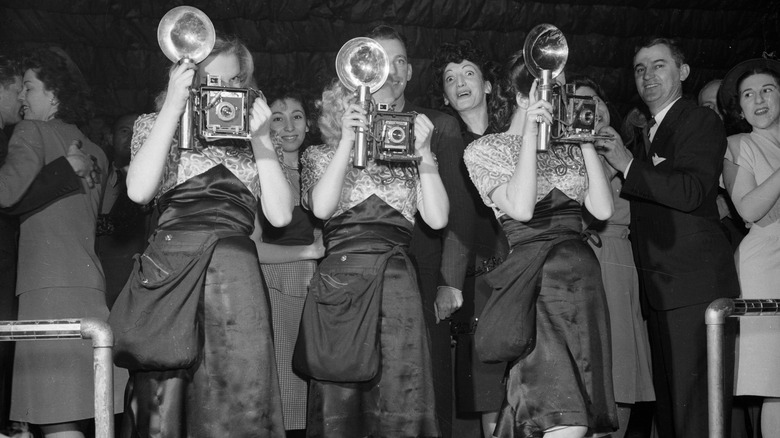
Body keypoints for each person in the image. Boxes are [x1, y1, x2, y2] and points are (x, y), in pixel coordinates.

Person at [120, 35, 290, 437]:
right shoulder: (154, 123)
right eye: (207, 80)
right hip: (170, 275)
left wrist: (263, 141)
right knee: (163, 404)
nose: (219, 90)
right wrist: (173, 110)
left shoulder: (258, 138)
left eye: (231, 82)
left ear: (244, 85)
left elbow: (280, 215)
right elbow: (138, 191)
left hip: (236, 283)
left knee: (239, 403)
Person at [463, 50, 617, 438]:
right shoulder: (486, 149)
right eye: (545, 91)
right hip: (538, 286)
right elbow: (521, 207)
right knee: (559, 415)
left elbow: (601, 209)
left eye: (560, 92)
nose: (555, 100)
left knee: (582, 415)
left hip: (583, 287)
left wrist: (583, 142)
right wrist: (530, 135)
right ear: (520, 98)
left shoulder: (569, 151)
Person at [596, 37, 740, 438]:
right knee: (674, 416)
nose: (648, 76)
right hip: (662, 292)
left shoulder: (700, 121)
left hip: (693, 289)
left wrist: (627, 164)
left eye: (658, 65)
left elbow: (692, 191)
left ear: (683, 72)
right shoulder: (650, 135)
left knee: (696, 415)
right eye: (640, 69)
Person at [299, 78, 447, 438]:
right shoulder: (319, 155)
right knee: (340, 403)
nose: (373, 110)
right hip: (341, 290)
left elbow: (438, 218)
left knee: (401, 400)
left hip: (397, 291)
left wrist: (425, 152)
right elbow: (321, 207)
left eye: (383, 103)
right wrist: (348, 142)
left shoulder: (409, 160)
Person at [0, 47, 126, 438]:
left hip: (46, 285)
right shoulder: (97, 151)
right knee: (84, 413)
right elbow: (103, 210)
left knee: (56, 419)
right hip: (90, 285)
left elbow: (5, 194)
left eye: (30, 88)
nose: (22, 97)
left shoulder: (30, 132)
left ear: (54, 95)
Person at [364, 25, 468, 437]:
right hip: (365, 280)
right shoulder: (344, 128)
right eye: (383, 61)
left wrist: (450, 283)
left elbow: (458, 212)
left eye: (400, 61)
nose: (392, 71)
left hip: (424, 276)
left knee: (428, 392)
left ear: (409, 73)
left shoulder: (437, 125)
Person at [569, 75, 656, 438]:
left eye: (596, 101)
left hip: (619, 266)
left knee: (618, 375)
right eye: (579, 105)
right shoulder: (564, 154)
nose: (592, 109)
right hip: (580, 263)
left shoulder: (630, 150)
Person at [431, 39, 507, 438]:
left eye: (469, 73)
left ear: (488, 85)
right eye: (450, 78)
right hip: (477, 282)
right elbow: (452, 224)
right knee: (488, 391)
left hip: (521, 270)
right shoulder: (444, 145)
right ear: (444, 94)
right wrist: (449, 280)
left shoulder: (515, 135)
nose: (459, 82)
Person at [253, 83, 324, 436]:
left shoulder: (322, 168)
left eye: (297, 117)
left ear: (309, 124)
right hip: (279, 289)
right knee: (286, 400)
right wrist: (308, 251)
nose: (289, 126)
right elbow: (252, 248)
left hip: (321, 291)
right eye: (278, 118)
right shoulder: (260, 175)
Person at [719, 57, 780, 438]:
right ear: (739, 107)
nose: (758, 99)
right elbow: (749, 208)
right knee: (777, 385)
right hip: (767, 265)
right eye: (748, 94)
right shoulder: (736, 146)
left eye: (767, 90)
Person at [96, 112, 155, 309]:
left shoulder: (157, 181)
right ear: (110, 138)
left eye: (138, 131)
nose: (131, 137)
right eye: (124, 131)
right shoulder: (96, 175)